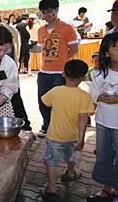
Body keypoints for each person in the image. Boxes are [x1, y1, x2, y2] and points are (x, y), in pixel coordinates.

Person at [40, 59, 95, 201]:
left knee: (51, 161)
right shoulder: (84, 96)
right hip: (73, 137)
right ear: (83, 78)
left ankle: (52, 188)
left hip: (54, 136)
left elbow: (45, 102)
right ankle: (70, 173)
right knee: (71, 156)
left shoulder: (56, 91)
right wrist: (81, 139)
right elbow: (83, 118)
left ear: (63, 74)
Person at [37, 0, 79, 138]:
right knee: (43, 100)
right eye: (43, 12)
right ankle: (46, 125)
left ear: (56, 10)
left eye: (49, 11)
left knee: (58, 103)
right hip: (43, 72)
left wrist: (63, 62)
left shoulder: (67, 28)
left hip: (59, 73)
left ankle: (58, 128)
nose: (47, 15)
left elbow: (74, 48)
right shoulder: (41, 30)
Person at [0, 10, 32, 130]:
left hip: (9, 69)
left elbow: (17, 48)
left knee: (15, 96)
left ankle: (24, 124)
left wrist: (16, 65)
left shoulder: (11, 31)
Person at [89, 33, 118, 200]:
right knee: (104, 154)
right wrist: (99, 97)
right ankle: (107, 188)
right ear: (106, 53)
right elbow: (93, 93)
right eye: (116, 47)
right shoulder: (99, 74)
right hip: (103, 122)